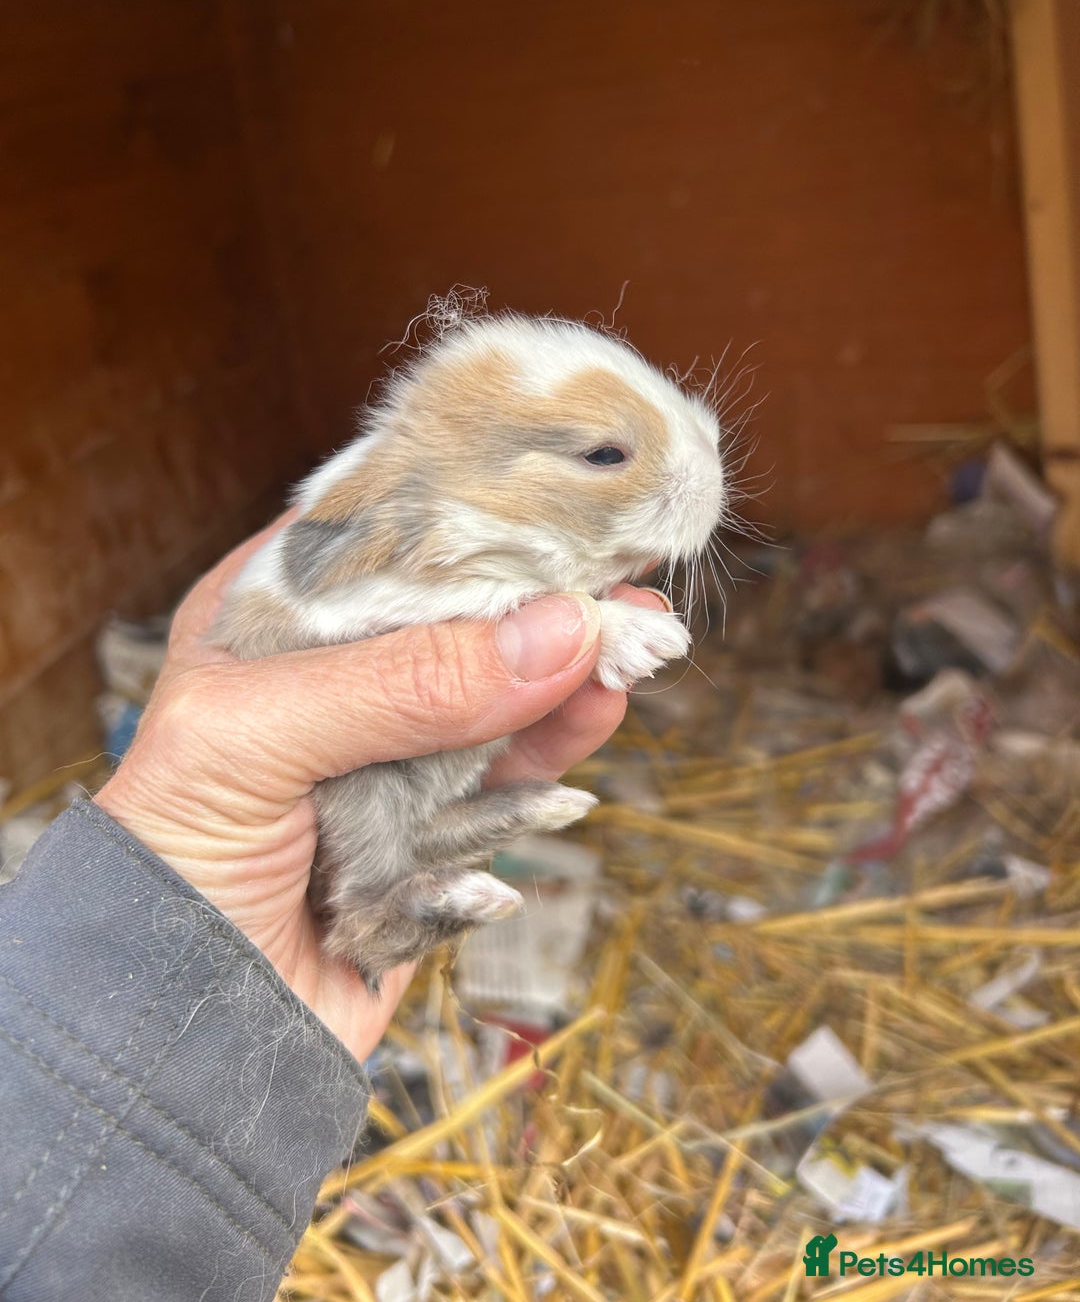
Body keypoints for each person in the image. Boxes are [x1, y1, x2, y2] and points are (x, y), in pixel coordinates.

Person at [0, 512, 669, 1301]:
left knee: (433, 819)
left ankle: (419, 883)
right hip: (339, 815)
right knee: (401, 833)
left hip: (357, 837)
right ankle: (406, 894)